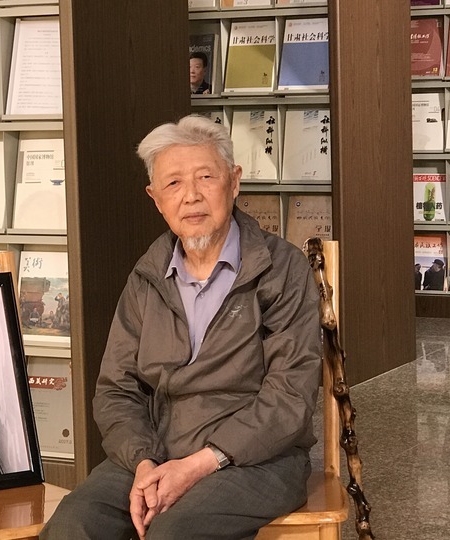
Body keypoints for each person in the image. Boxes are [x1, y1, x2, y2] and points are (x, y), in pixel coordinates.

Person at [41, 115, 321, 540]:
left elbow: (291, 395)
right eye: (173, 183)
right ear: (155, 198)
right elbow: (116, 390)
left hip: (257, 458)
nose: (191, 195)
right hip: (157, 451)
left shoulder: (280, 269)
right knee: (72, 525)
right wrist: (144, 463)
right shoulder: (147, 276)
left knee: (174, 533)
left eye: (206, 177)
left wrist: (199, 464)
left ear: (234, 182)